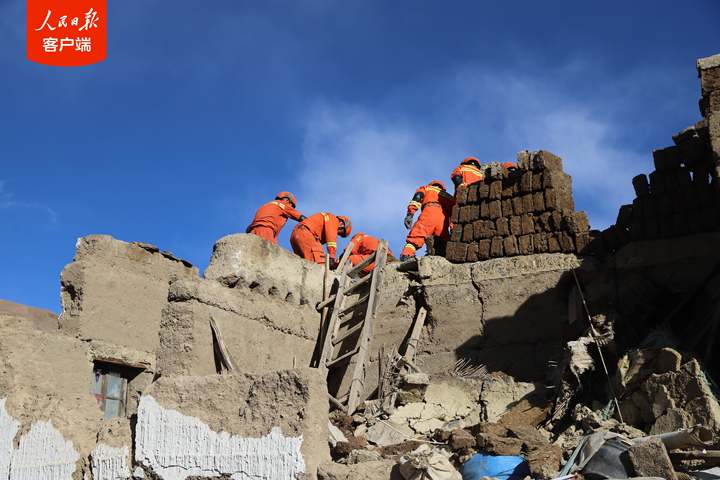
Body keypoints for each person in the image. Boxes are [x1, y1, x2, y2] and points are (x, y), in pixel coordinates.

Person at [401, 180, 454, 260]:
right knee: (442, 242)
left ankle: (407, 254)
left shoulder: (426, 188)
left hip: (429, 212)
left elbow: (418, 197)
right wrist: (452, 228)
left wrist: (410, 213)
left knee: (417, 235)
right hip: (443, 220)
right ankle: (440, 259)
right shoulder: (448, 196)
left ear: (431, 184)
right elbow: (454, 214)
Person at [450, 157, 517, 189]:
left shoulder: (461, 167)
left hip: (466, 190)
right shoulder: (481, 172)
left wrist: (460, 184)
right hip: (475, 192)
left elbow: (456, 176)